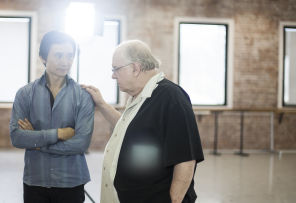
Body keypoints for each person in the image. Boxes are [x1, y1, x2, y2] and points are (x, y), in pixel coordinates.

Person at [82, 40, 204, 203]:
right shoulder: (140, 96)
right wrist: (102, 104)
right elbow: (129, 129)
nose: (112, 75)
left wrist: (175, 200)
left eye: (116, 69)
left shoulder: (171, 97)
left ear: (136, 68)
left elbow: (186, 158)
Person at [9, 31, 94, 203]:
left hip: (71, 182)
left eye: (70, 56)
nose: (65, 62)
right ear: (43, 57)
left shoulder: (83, 96)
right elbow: (17, 137)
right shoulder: (25, 94)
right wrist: (59, 134)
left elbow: (81, 143)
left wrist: (38, 143)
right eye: (58, 55)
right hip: (35, 181)